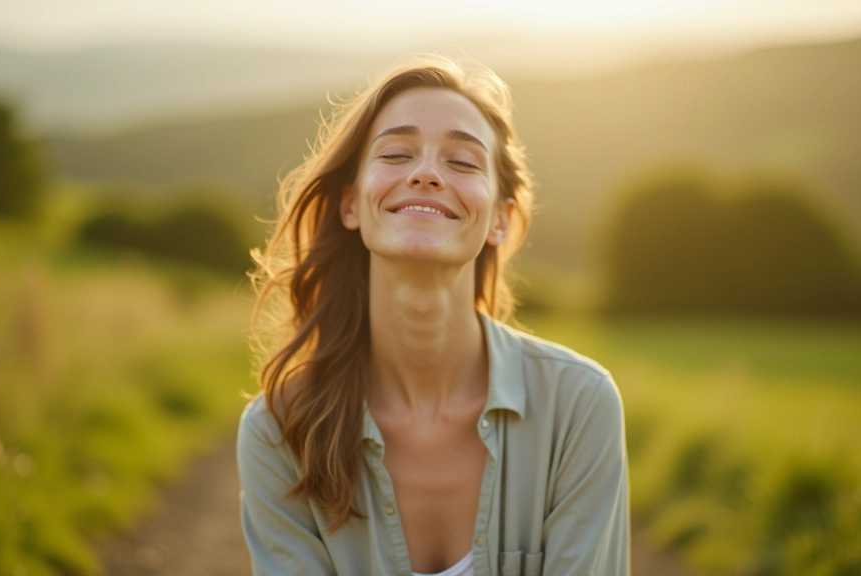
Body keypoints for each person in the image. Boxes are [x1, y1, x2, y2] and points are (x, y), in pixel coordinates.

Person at [238, 55, 629, 576]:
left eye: (463, 163)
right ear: (351, 205)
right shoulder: (277, 431)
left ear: (500, 220)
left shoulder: (579, 407)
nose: (425, 174)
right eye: (397, 154)